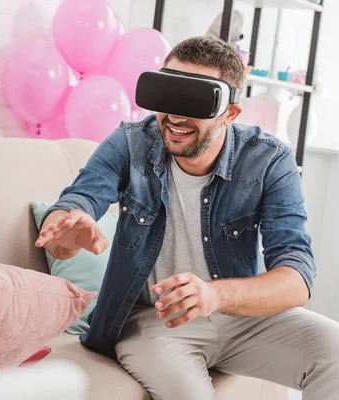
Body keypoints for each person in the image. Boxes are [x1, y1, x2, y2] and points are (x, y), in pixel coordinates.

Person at [36, 36, 339, 399]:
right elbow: (77, 201)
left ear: (230, 114)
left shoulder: (269, 161)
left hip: (238, 315)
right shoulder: (131, 143)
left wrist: (214, 295)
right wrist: (63, 233)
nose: (176, 116)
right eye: (168, 94)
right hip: (154, 321)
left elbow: (296, 278)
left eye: (194, 100)